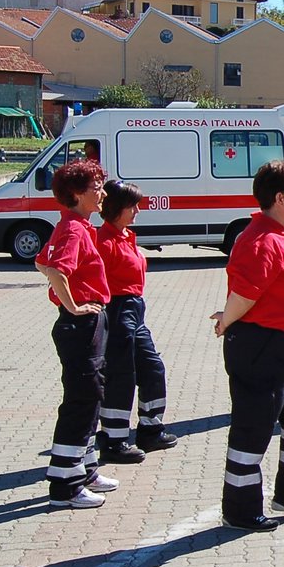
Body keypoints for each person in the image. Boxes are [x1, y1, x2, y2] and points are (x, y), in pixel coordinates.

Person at [211, 160, 284, 532]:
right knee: (254, 427)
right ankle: (240, 510)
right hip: (263, 347)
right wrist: (227, 319)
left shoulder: (280, 233)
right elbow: (245, 292)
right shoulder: (260, 239)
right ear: (279, 198)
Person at [36, 160, 114, 509]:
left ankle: (85, 469)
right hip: (80, 323)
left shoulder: (75, 225)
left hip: (88, 321)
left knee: (92, 395)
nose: (103, 193)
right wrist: (74, 306)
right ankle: (65, 486)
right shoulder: (73, 230)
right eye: (96, 187)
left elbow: (41, 261)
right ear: (77, 193)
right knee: (81, 401)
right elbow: (54, 269)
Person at [95, 180, 177, 465]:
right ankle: (114, 441)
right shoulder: (103, 241)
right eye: (133, 206)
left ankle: (150, 429)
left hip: (134, 310)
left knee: (152, 367)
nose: (138, 211)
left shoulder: (124, 236)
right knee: (121, 376)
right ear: (117, 208)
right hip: (116, 310)